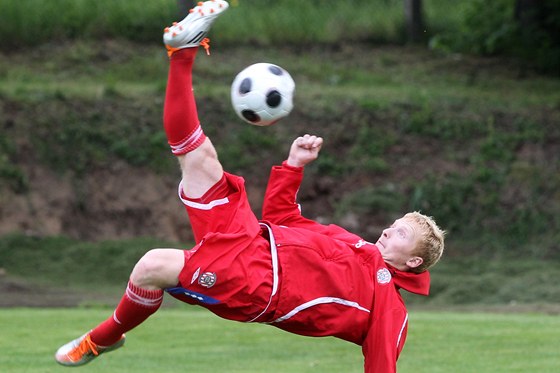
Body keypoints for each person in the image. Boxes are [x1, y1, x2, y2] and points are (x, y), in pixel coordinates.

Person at [54, 1, 445, 372]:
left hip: (256, 285)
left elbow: (382, 365)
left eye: (401, 233)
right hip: (253, 237)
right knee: (199, 157)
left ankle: (100, 339)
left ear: (413, 261)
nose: (388, 230)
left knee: (150, 266)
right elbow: (283, 218)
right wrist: (293, 166)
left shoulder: (388, 306)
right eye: (394, 224)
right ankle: (183, 52)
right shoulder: (351, 243)